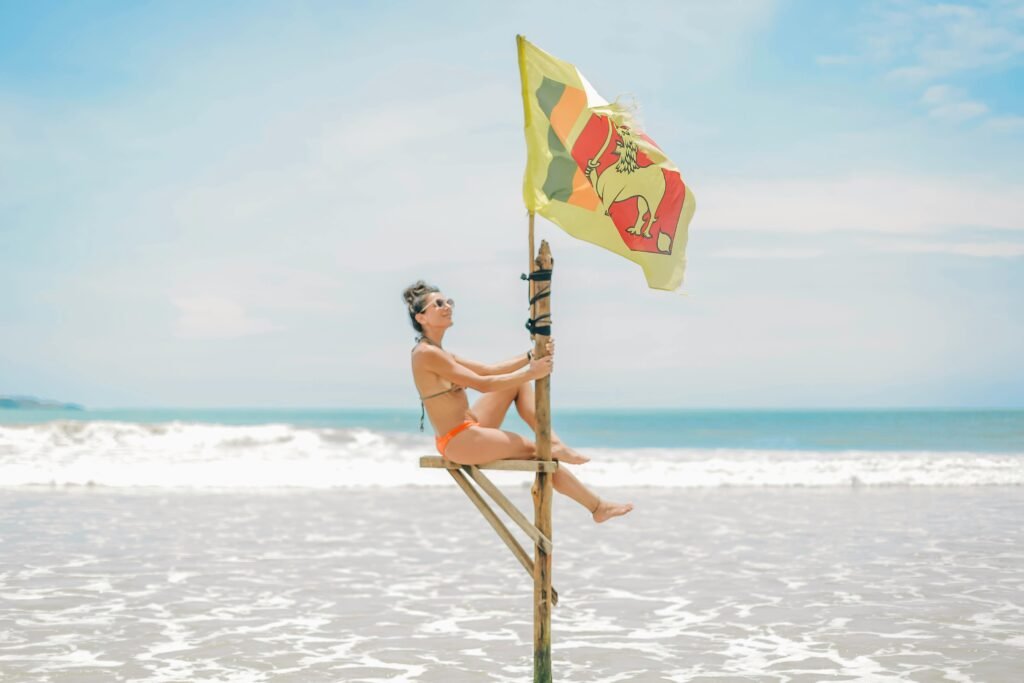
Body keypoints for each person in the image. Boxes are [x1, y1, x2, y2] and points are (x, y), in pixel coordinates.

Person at [404, 280, 633, 523]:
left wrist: (530, 357)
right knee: (540, 452)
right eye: (438, 304)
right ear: (422, 318)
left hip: (471, 426)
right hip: (459, 440)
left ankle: (554, 442)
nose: (447, 306)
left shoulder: (438, 351)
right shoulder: (426, 354)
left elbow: (487, 370)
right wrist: (532, 372)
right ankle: (597, 506)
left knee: (518, 385)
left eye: (449, 301)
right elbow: (482, 384)